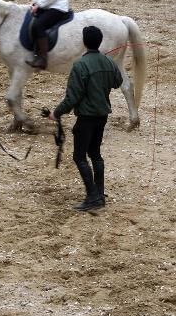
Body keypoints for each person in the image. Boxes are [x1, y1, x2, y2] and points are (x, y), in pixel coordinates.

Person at [49, 26, 122, 211]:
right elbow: (117, 82)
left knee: (79, 156)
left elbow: (72, 97)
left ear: (84, 42)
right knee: (95, 154)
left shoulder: (80, 65)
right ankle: (99, 192)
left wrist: (56, 113)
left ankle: (93, 197)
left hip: (86, 118)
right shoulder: (108, 62)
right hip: (102, 116)